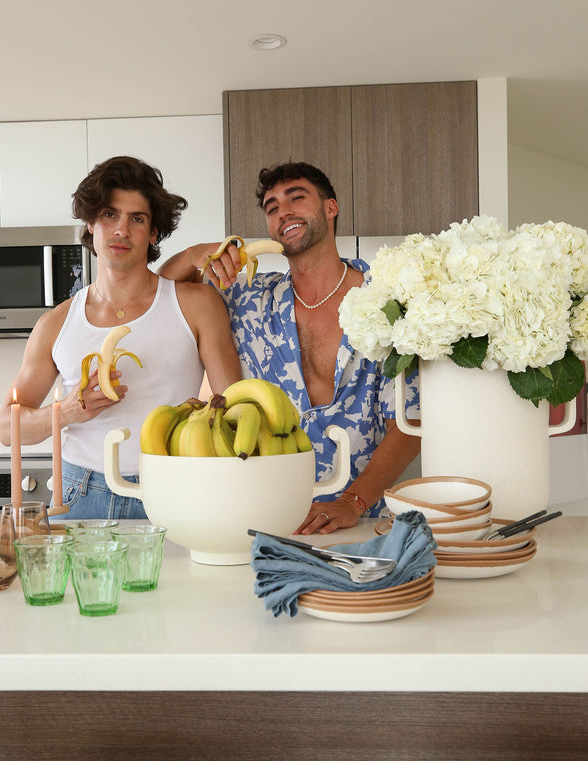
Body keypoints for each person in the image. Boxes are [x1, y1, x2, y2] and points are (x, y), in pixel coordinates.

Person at [159, 161, 420, 534]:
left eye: (297, 198)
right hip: (261, 516)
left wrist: (351, 502)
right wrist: (191, 256)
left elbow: (411, 422)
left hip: (360, 522)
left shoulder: (388, 300)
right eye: (272, 207)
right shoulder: (248, 297)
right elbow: (155, 298)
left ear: (331, 207)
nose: (284, 212)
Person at [0, 155, 241, 519]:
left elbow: (235, 406)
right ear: (91, 224)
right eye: (110, 215)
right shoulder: (55, 323)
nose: (121, 230)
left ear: (153, 233)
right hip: (79, 495)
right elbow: (6, 428)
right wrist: (64, 412)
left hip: (174, 489)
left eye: (137, 219)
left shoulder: (197, 304)